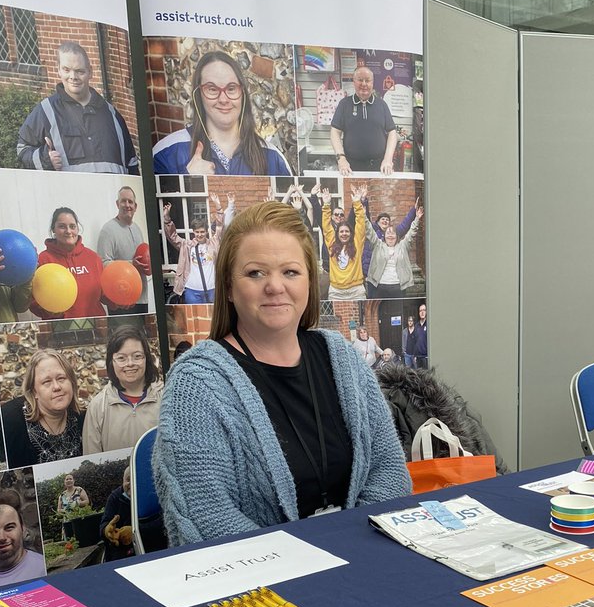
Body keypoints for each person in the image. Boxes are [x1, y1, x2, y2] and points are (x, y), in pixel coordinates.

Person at [153, 200, 411, 546]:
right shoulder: (196, 385)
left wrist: (351, 550)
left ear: (309, 282)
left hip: (360, 564)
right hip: (260, 587)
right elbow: (209, 521)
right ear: (228, 287)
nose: (275, 286)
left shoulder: (342, 358)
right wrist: (312, 560)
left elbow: (389, 470)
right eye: (255, 273)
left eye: (290, 272)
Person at [152, 50, 292, 176]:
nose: (223, 99)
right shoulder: (167, 152)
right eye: (212, 89)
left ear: (242, 93)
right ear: (198, 94)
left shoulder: (273, 157)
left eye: (231, 88)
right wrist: (188, 179)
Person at [16, 41, 138, 175]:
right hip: (68, 195)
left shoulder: (112, 115)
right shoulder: (45, 111)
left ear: (90, 72)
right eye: (67, 70)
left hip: (109, 195)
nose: (73, 77)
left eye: (80, 71)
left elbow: (131, 164)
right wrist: (45, 160)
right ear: (59, 71)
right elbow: (23, 149)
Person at [82, 326, 162, 454]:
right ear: (111, 362)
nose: (130, 363)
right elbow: (91, 459)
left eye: (137, 356)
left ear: (147, 358)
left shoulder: (165, 398)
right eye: (121, 358)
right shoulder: (98, 406)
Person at [0, 349, 84, 466]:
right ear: (34, 391)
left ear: (72, 383)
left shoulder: (83, 418)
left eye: (61, 378)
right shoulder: (10, 421)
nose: (56, 387)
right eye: (46, 381)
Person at [32, 208, 107, 320]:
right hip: (59, 330)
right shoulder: (43, 260)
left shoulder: (93, 258)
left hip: (95, 328)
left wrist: (121, 299)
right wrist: (48, 312)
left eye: (72, 226)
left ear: (77, 228)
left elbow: (105, 294)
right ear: (53, 229)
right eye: (62, 226)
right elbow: (33, 299)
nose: (68, 231)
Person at [164, 194, 235, 304]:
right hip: (192, 290)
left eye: (202, 232)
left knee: (214, 318)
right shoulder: (187, 245)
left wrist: (218, 206)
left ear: (206, 232)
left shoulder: (214, 243)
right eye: (197, 232)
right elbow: (172, 236)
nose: (200, 234)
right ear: (193, 232)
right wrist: (167, 219)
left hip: (213, 289)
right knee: (195, 320)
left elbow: (220, 226)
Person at [330, 66, 397, 175]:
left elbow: (392, 132)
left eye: (367, 80)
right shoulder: (344, 104)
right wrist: (341, 159)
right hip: (350, 168)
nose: (364, 84)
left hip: (380, 168)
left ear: (372, 82)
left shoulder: (382, 105)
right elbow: (334, 132)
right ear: (354, 82)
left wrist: (388, 159)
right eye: (360, 80)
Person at [96, 186, 150, 316]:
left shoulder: (137, 229)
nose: (127, 205)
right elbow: (102, 264)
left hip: (141, 297)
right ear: (117, 204)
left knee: (142, 335)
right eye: (123, 201)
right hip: (120, 299)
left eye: (130, 202)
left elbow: (143, 258)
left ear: (135, 206)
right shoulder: (108, 230)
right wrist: (131, 264)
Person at [365, 201, 423, 298]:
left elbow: (412, 232)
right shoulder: (378, 245)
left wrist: (417, 218)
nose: (390, 235)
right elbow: (369, 230)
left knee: (398, 312)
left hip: (398, 287)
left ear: (397, 236)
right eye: (388, 233)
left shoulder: (402, 246)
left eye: (393, 233)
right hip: (379, 287)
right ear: (384, 236)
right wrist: (363, 215)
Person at [319, 184, 366, 301]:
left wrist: (357, 203)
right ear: (337, 233)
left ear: (351, 233)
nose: (344, 234)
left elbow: (360, 223)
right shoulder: (332, 243)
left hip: (356, 290)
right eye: (341, 232)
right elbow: (326, 227)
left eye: (346, 231)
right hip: (336, 291)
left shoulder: (357, 242)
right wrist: (326, 205)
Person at [100, 466, 134, 562]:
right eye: (128, 480)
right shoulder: (114, 498)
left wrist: (135, 531)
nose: (131, 483)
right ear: (122, 481)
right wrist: (107, 531)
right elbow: (103, 524)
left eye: (135, 478)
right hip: (121, 554)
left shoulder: (150, 495)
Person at [412, 302, 428, 369]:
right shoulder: (416, 326)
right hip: (418, 357)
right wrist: (415, 355)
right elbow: (415, 341)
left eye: (424, 310)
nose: (422, 312)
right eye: (420, 311)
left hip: (426, 357)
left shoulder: (429, 324)